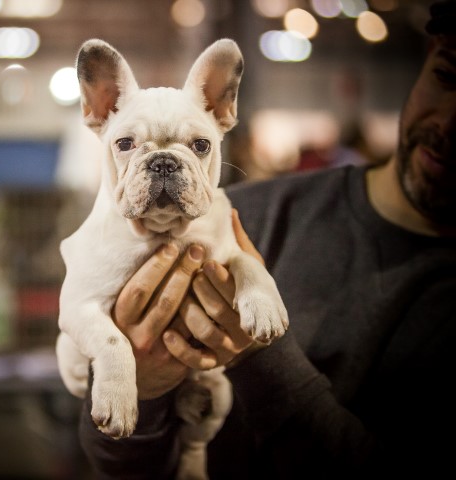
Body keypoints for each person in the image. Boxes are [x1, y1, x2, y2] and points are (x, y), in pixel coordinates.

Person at [78, 1, 456, 478]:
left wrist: (261, 359)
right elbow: (116, 461)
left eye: (196, 146)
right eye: (447, 75)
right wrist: (142, 387)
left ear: (223, 110)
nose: (449, 124)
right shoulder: (246, 211)